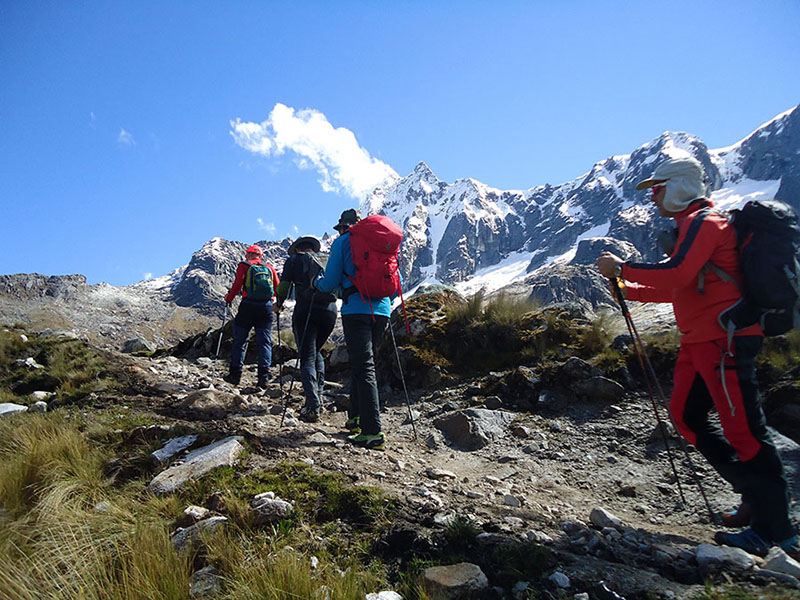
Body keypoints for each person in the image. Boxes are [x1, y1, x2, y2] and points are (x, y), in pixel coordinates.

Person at [596, 155, 798, 558]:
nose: (653, 198)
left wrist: (624, 269)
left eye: (657, 189)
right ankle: (753, 496)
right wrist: (629, 291)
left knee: (745, 430)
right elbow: (685, 286)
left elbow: (679, 275)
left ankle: (776, 531)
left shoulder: (707, 223)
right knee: (687, 417)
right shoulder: (690, 225)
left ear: (678, 185)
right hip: (699, 342)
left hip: (725, 340)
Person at [311, 208, 391, 450]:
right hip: (383, 310)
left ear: (344, 227)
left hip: (356, 310)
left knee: (363, 366)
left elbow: (331, 282)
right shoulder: (380, 243)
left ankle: (372, 431)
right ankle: (356, 417)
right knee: (365, 363)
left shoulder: (342, 242)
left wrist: (317, 282)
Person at [274, 235, 337, 423]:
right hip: (330, 311)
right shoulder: (326, 259)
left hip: (306, 310)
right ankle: (318, 395)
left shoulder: (294, 260)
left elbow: (284, 285)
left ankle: (312, 405)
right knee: (316, 351)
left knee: (307, 355)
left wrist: (278, 304)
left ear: (298, 249)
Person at [224, 244, 279, 389]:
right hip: (266, 307)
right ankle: (263, 378)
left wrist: (228, 299)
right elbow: (277, 287)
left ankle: (235, 375)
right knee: (264, 342)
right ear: (260, 256)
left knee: (240, 339)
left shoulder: (244, 265)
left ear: (248, 255)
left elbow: (237, 285)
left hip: (248, 305)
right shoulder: (269, 268)